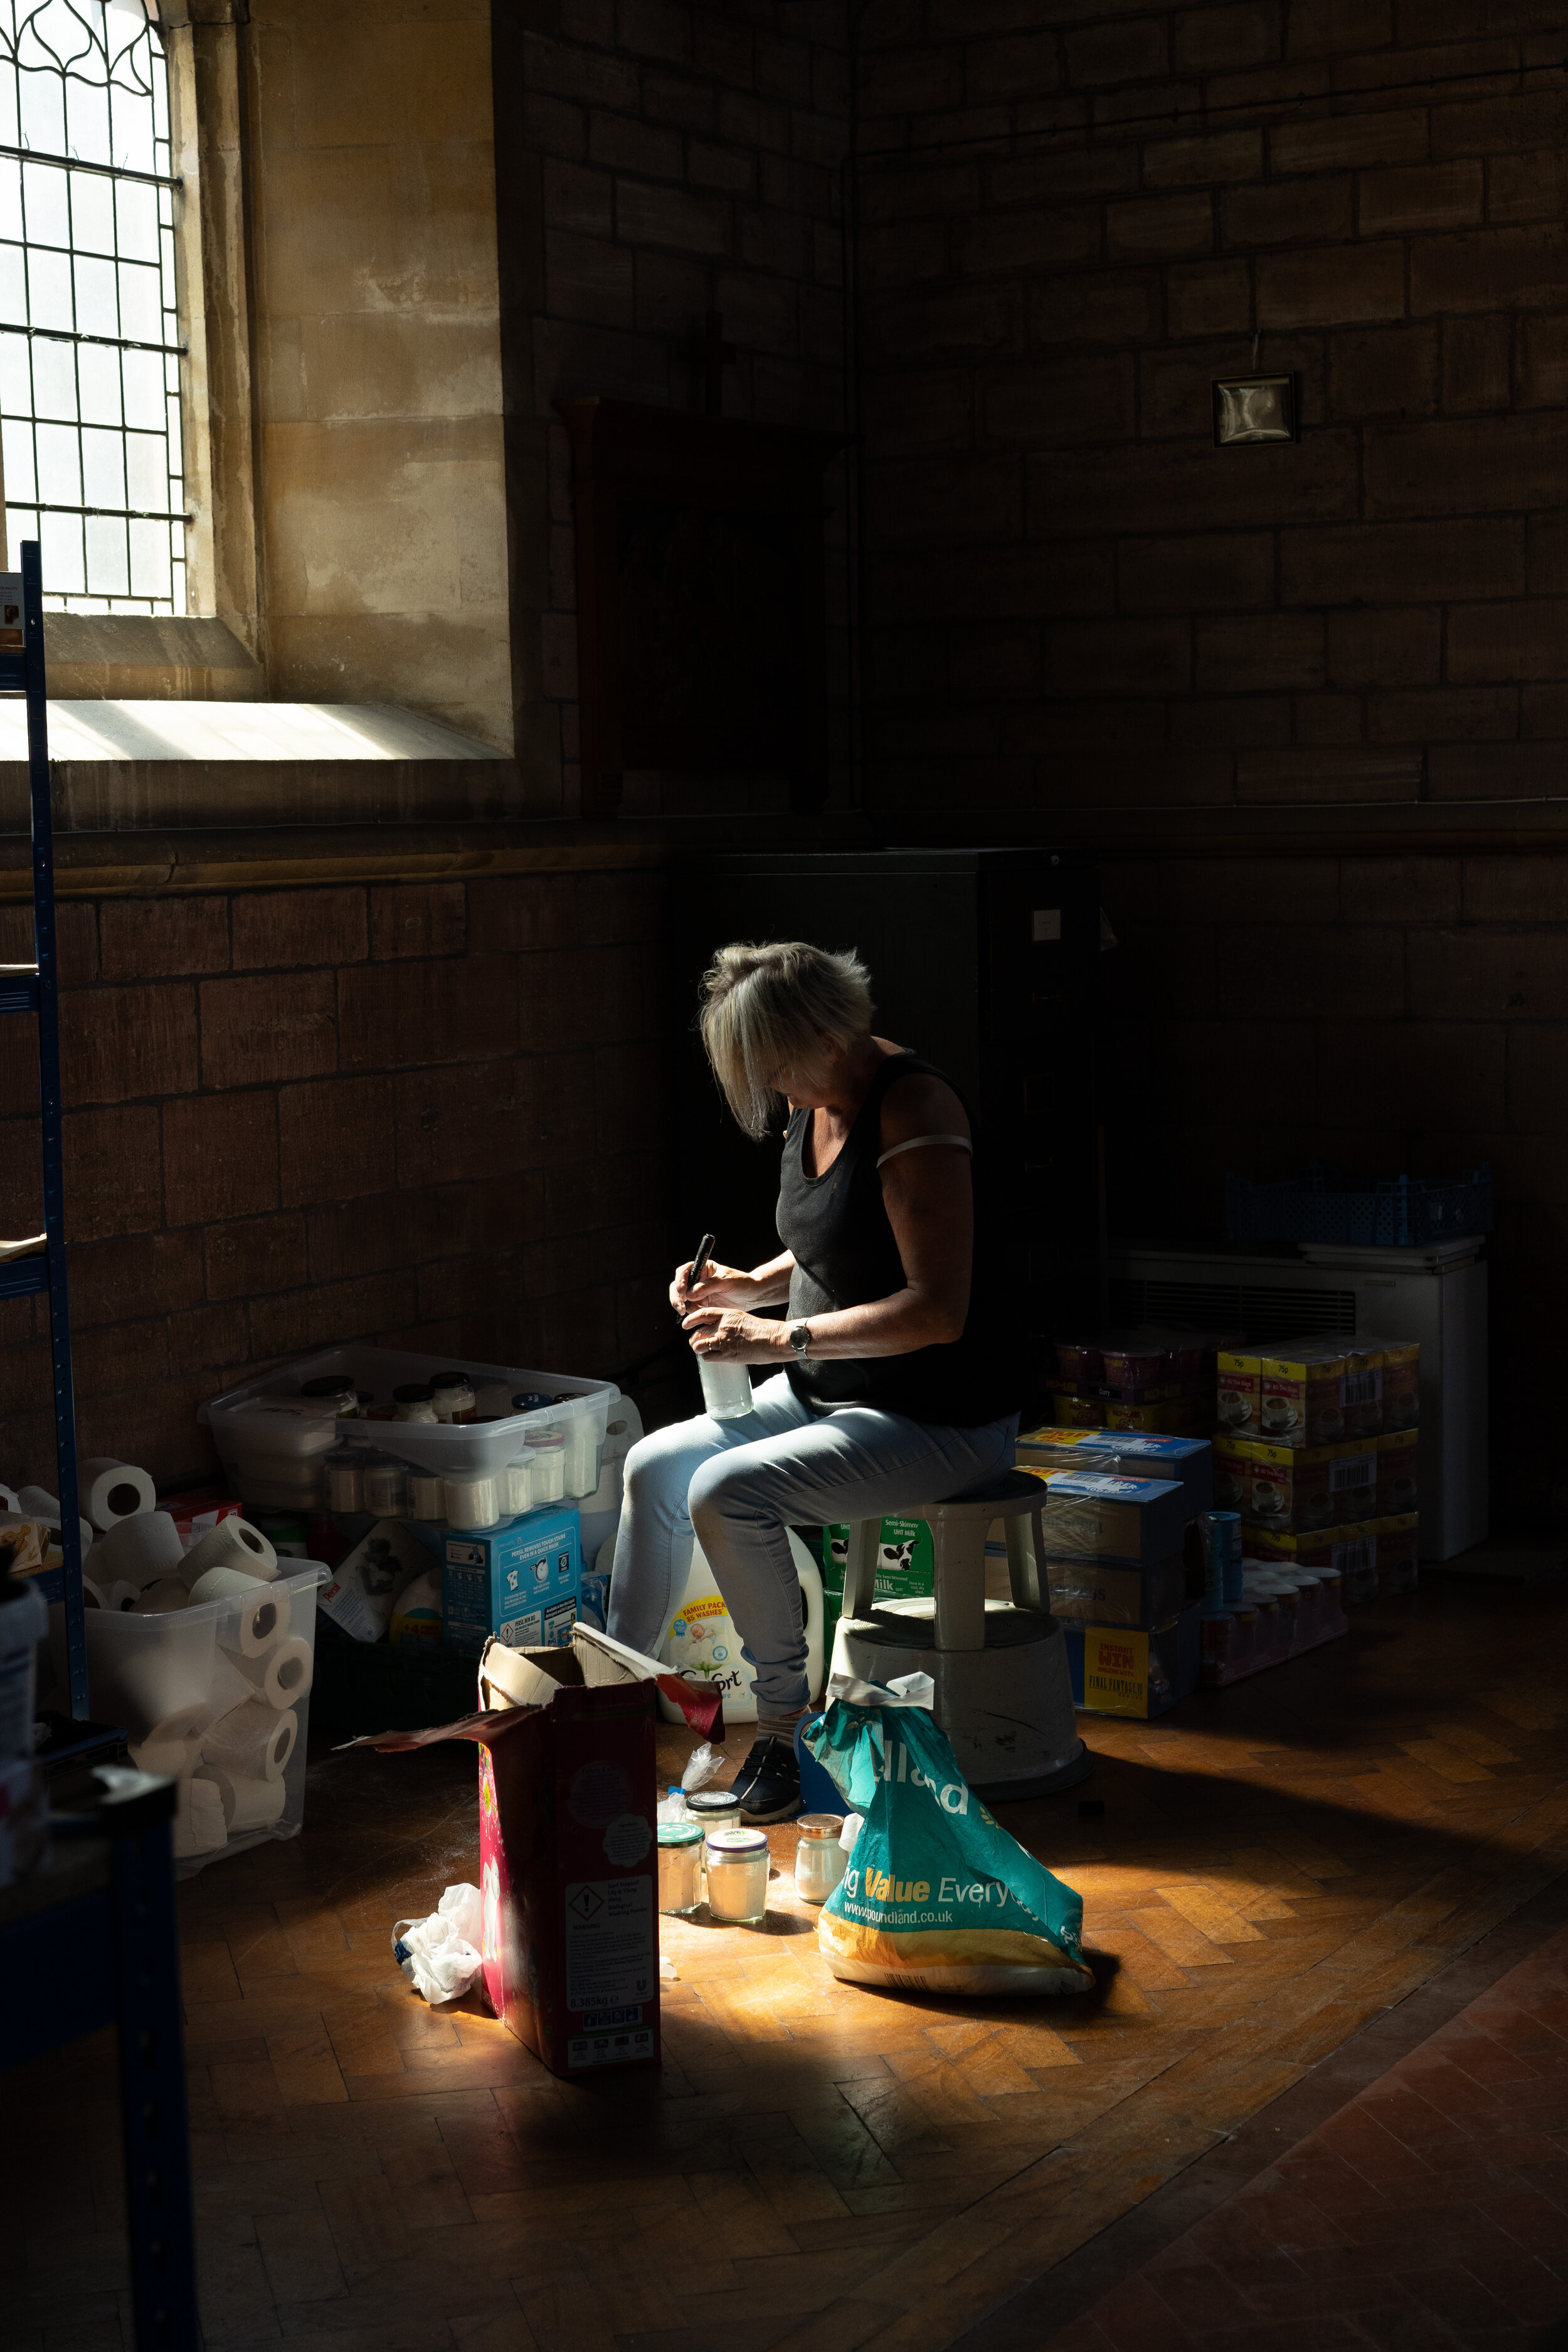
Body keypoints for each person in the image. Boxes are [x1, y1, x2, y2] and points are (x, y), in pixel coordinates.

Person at [607, 940, 1022, 1823]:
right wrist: (746, 1285)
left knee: (726, 1489)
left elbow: (936, 1308)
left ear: (825, 1038)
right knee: (652, 1466)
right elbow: (836, 1238)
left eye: (774, 1071)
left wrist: (779, 1334)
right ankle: (604, 1710)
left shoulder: (913, 1108)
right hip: (832, 1396)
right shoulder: (820, 1101)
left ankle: (788, 1735)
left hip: (935, 1417)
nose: (774, 1096)